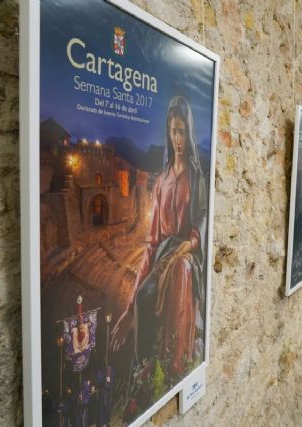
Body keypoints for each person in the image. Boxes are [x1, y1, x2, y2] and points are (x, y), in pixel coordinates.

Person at [111, 96, 208, 378]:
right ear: (168, 132)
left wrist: (187, 246)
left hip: (188, 254)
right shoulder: (161, 181)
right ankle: (142, 369)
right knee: (144, 295)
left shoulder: (196, 177)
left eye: (183, 132)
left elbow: (201, 222)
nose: (178, 139)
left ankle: (173, 362)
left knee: (180, 270)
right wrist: (129, 306)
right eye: (174, 131)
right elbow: (152, 243)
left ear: (189, 133)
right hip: (163, 255)